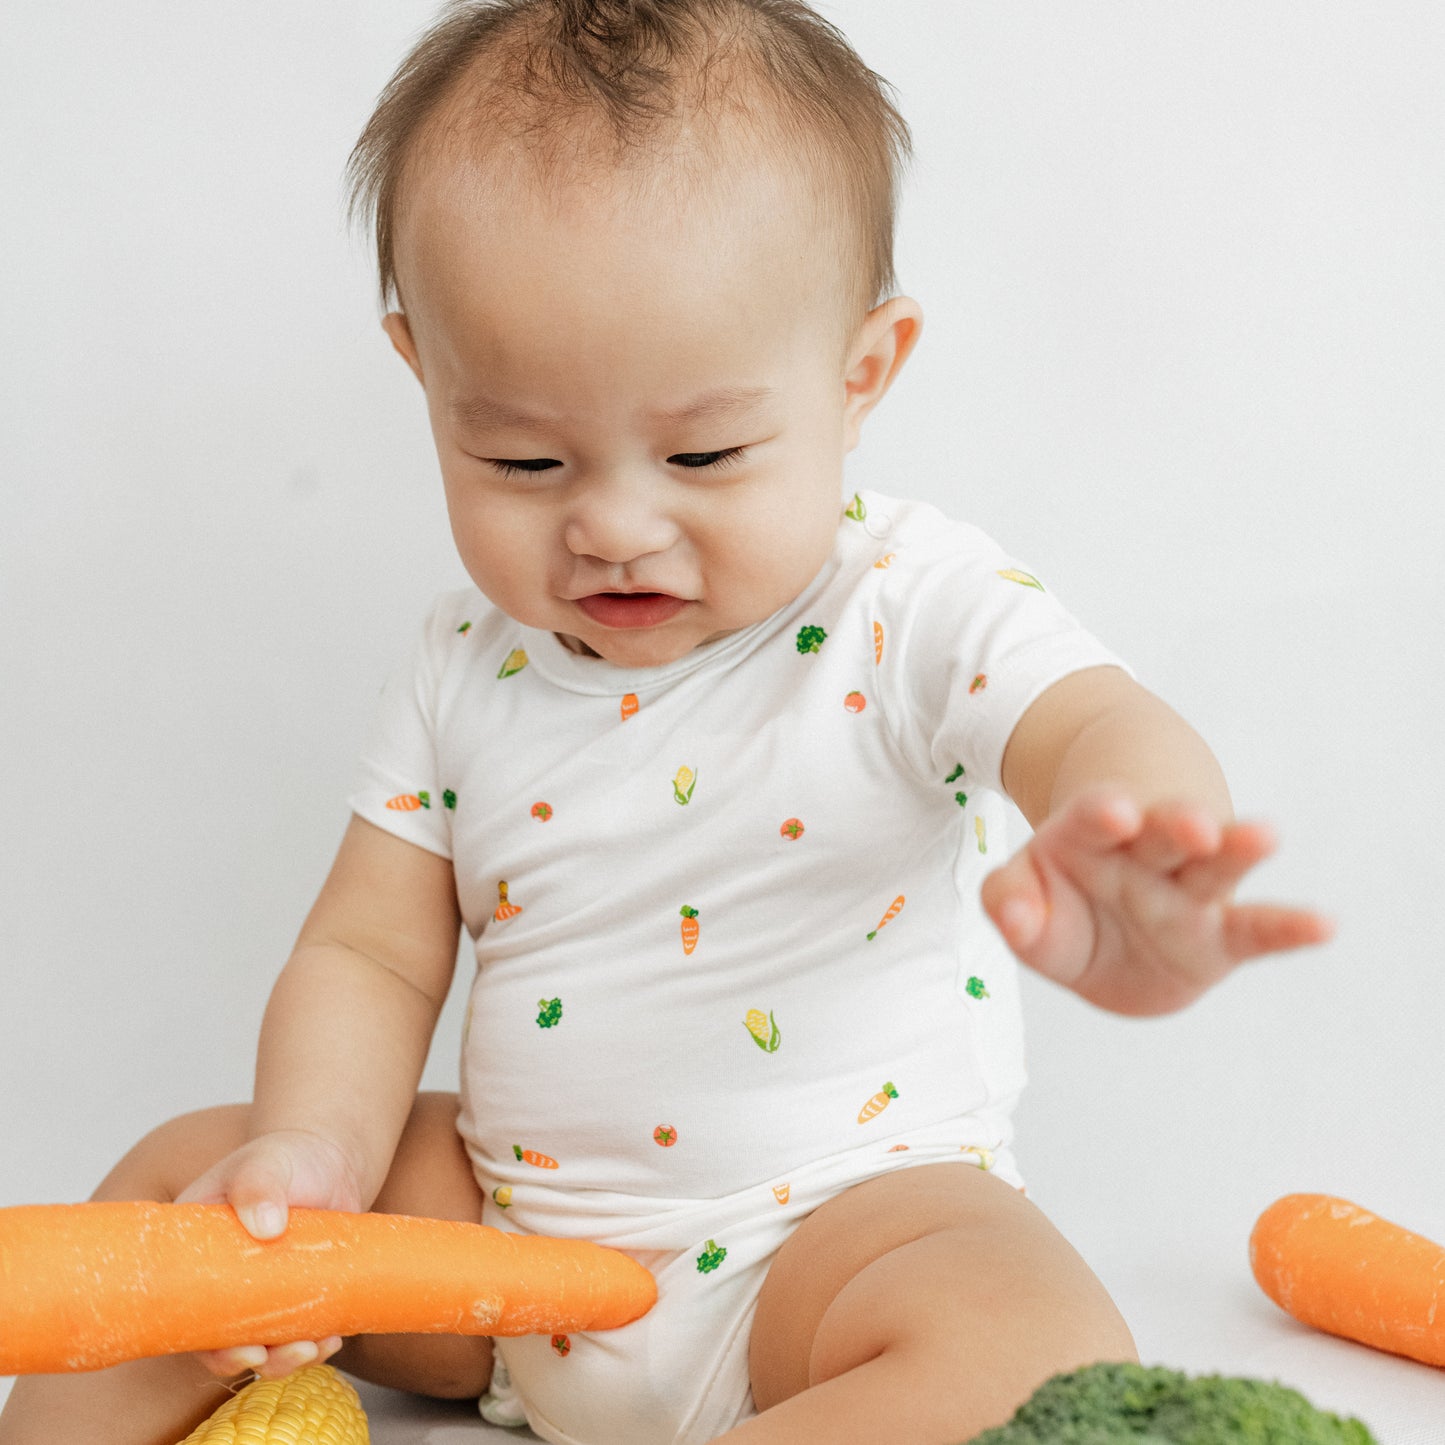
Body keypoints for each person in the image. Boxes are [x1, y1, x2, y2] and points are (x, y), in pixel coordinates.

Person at [0, 2, 1334, 1442]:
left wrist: (1133, 832)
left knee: (1028, 1339)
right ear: (425, 376)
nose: (616, 527)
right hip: (507, 1245)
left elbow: (1086, 719)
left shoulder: (907, 600)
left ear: (860, 374)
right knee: (188, 1182)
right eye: (523, 459)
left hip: (831, 1243)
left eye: (704, 453)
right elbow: (370, 952)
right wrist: (312, 1146)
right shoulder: (462, 663)